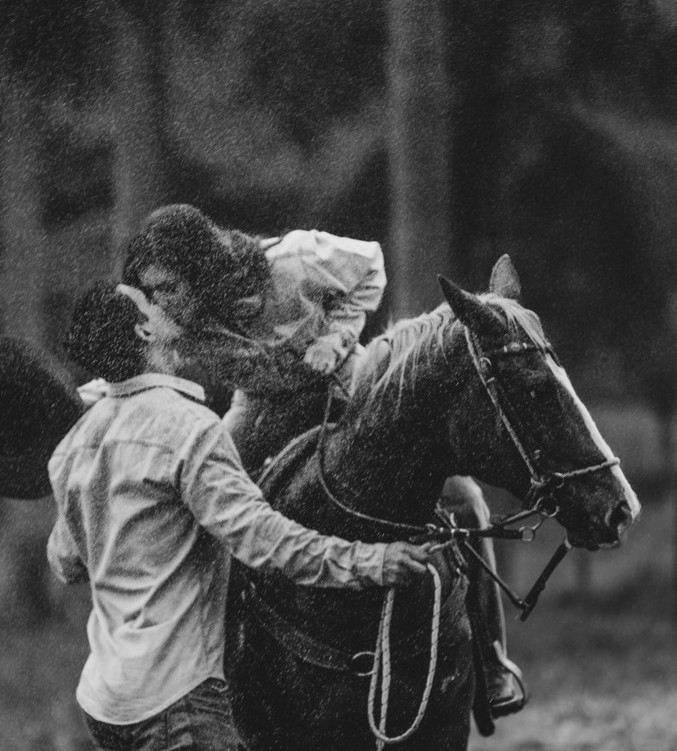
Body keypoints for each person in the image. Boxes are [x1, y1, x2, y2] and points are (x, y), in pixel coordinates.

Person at [120, 204, 528, 722]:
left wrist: (336, 337)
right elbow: (135, 366)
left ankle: (490, 662)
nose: (158, 304)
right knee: (209, 511)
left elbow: (370, 265)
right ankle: (214, 675)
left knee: (464, 499)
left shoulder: (291, 262)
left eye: (166, 287)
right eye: (149, 292)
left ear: (200, 269)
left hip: (344, 385)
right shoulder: (171, 320)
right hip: (259, 408)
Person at [48, 280, 438, 751]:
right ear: (144, 332)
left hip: (106, 706)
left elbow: (66, 562)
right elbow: (266, 542)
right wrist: (372, 563)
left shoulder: (74, 443)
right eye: (150, 302)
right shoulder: (189, 430)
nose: (164, 302)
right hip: (178, 706)